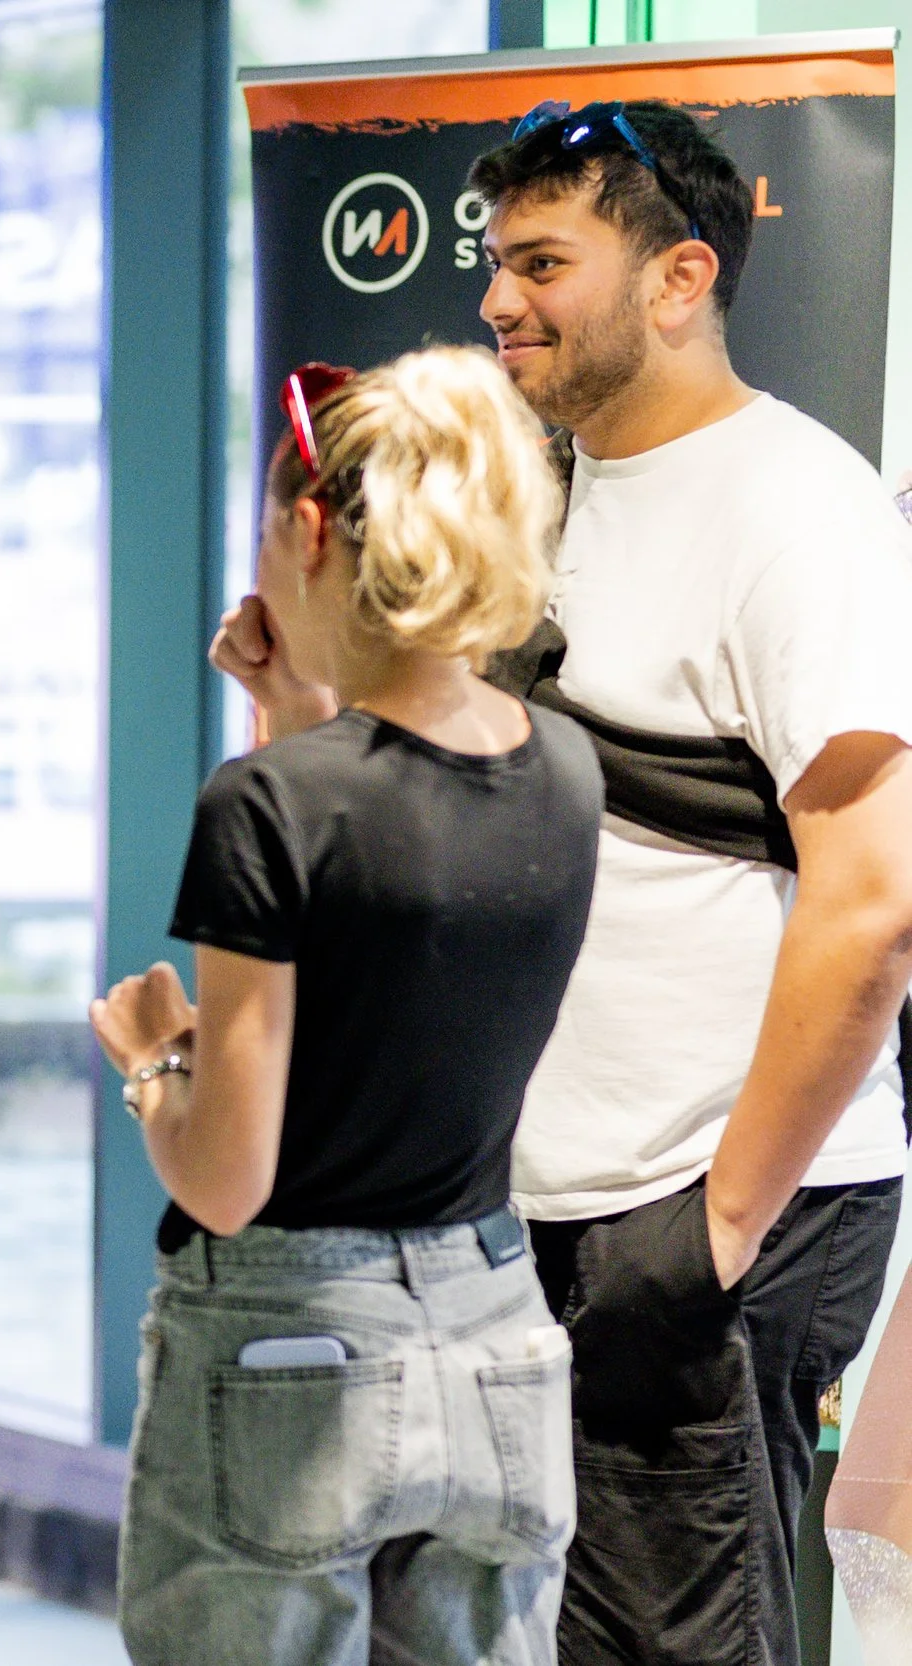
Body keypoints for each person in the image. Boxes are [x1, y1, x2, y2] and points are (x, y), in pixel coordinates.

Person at [223, 101, 912, 1666]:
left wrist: (712, 1232)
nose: (494, 300)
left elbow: (874, 898)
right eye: (494, 260)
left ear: (678, 279)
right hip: (520, 1210)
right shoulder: (547, 500)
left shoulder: (797, 512)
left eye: (543, 259)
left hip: (707, 1207)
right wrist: (294, 706)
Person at [99, 345, 600, 1666]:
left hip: (287, 1345)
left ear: (311, 529)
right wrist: (295, 711)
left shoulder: (268, 805)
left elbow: (225, 1177)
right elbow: (395, 904)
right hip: (495, 1332)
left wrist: (155, 1063)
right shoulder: (565, 766)